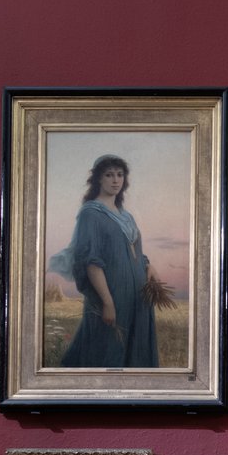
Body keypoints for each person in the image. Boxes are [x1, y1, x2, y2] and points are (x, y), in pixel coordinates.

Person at [53, 154, 160, 368]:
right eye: (109, 175)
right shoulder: (91, 214)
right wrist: (108, 302)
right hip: (112, 296)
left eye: (120, 175)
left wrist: (149, 265)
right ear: (98, 180)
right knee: (106, 351)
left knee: (137, 354)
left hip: (138, 297)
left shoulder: (126, 216)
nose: (115, 180)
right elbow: (91, 262)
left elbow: (134, 251)